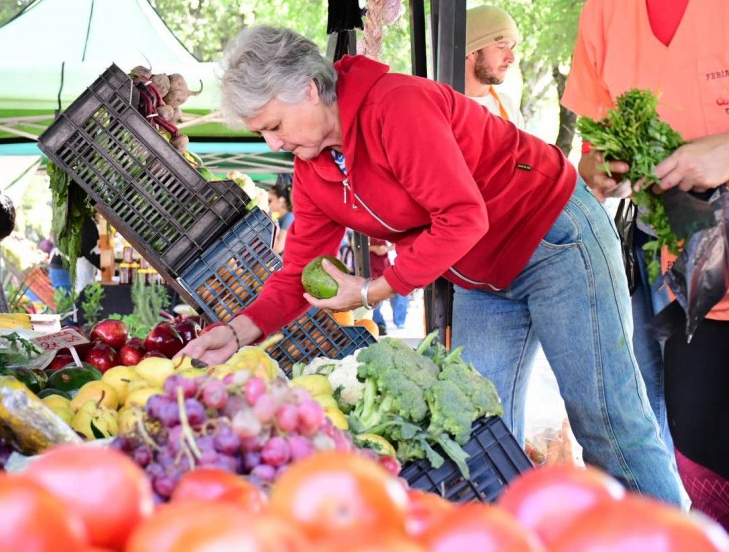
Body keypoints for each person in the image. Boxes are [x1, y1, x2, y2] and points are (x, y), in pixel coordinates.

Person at [178, 25, 681, 504]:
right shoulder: (313, 170)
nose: (273, 144)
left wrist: (375, 290)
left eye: (274, 126)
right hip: (479, 275)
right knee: (474, 430)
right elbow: (296, 273)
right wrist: (238, 332)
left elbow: (462, 216)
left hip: (553, 236)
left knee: (606, 420)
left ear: (309, 90)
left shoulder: (396, 105)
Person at [562, 0, 729, 526]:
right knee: (700, 451)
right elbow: (597, 142)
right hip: (695, 273)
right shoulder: (605, 9)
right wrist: (600, 167)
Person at [465, 5, 525, 129]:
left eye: (512, 48)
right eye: (501, 47)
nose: (511, 58)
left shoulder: (510, 109)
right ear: (472, 52)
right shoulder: (442, 107)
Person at [368, 238, 390, 336]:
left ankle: (377, 323)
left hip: (384, 265)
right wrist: (374, 249)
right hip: (370, 266)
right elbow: (355, 245)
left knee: (378, 297)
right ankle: (378, 323)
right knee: (374, 296)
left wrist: (387, 249)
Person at [268, 176, 294, 254]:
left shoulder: (289, 217)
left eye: (270, 200)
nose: (268, 204)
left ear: (281, 200)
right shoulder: (281, 217)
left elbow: (278, 247)